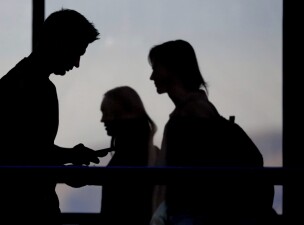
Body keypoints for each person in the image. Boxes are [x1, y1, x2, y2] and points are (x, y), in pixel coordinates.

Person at [0, 9, 101, 225]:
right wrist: (68, 167)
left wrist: (69, 155)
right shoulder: (40, 91)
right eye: (76, 51)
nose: (77, 63)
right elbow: (25, 157)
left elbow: (25, 150)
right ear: (58, 42)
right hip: (29, 211)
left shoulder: (8, 89)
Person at [147, 39, 277, 225]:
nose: (152, 77)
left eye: (156, 68)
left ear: (171, 69)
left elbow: (181, 185)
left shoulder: (186, 121)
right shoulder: (205, 115)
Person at [97, 86, 159, 225]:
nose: (102, 120)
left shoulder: (128, 154)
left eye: (107, 113)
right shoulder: (141, 149)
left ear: (122, 113)